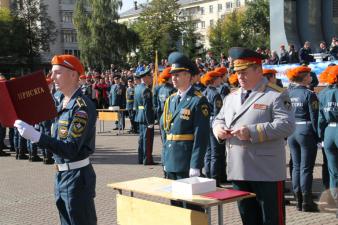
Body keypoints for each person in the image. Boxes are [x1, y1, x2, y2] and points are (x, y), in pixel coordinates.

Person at [212, 47, 295, 225]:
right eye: (237, 72)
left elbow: (287, 125)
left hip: (266, 171)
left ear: (258, 70)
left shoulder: (275, 94)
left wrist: (251, 132)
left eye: (244, 72)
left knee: (271, 220)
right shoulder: (231, 97)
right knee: (248, 219)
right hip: (239, 170)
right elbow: (218, 119)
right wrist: (218, 129)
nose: (239, 77)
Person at [14, 54, 97, 225]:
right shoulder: (61, 102)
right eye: (52, 73)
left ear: (73, 75)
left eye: (57, 73)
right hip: (61, 174)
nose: (52, 78)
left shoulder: (81, 106)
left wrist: (37, 137)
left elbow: (71, 149)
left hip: (77, 178)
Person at [161, 51, 209, 193]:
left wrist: (196, 164)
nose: (173, 78)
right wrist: (165, 158)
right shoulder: (171, 100)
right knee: (175, 205)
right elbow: (165, 132)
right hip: (171, 160)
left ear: (188, 75)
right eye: (172, 75)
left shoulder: (198, 100)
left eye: (177, 75)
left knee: (191, 206)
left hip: (186, 162)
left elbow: (201, 135)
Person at [286, 66, 319, 212]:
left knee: (296, 167)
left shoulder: (289, 93)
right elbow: (314, 117)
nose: (311, 77)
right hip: (305, 131)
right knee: (306, 168)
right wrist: (318, 135)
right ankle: (306, 201)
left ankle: (298, 199)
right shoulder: (309, 94)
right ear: (305, 78)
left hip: (292, 131)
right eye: (309, 76)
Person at [318, 65, 338, 217]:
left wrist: (321, 136)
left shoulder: (323, 93)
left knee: (333, 172)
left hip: (328, 132)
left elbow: (320, 118)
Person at [201, 71, 225, 186]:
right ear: (214, 80)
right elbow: (218, 113)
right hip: (213, 124)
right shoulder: (215, 94)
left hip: (205, 123)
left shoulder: (203, 92)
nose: (220, 80)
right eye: (219, 78)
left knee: (207, 152)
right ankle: (215, 180)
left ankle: (208, 178)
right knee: (215, 154)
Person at [133, 68, 156, 165]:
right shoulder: (146, 89)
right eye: (150, 76)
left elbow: (136, 105)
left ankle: (141, 158)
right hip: (146, 117)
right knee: (147, 139)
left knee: (142, 138)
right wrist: (150, 121)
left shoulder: (137, 88)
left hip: (140, 116)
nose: (151, 78)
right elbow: (147, 107)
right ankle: (147, 159)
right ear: (146, 77)